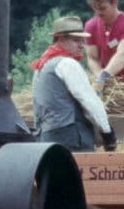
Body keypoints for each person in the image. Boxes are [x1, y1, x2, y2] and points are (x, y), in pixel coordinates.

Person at [31, 15, 117, 152]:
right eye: (76, 40)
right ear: (61, 38)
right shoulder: (67, 63)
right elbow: (89, 100)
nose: (82, 45)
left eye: (82, 40)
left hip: (45, 138)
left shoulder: (41, 66)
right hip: (70, 137)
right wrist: (106, 131)